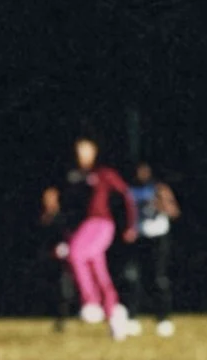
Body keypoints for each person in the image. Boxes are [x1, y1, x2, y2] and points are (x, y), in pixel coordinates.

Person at [40, 138, 138, 340]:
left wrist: (130, 224)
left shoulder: (103, 174)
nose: (81, 155)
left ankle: (91, 301)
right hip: (81, 228)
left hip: (100, 224)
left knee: (76, 255)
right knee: (96, 266)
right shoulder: (72, 177)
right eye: (78, 151)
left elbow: (126, 195)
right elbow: (59, 200)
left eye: (85, 151)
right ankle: (115, 313)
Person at [126, 163, 181, 335]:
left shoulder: (159, 188)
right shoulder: (130, 190)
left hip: (158, 237)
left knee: (159, 279)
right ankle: (132, 317)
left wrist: (162, 203)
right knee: (133, 278)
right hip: (139, 237)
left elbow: (174, 212)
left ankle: (163, 318)